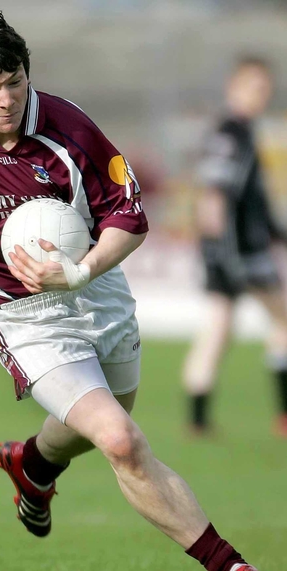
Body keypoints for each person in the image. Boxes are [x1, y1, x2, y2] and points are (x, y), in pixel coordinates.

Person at [0, 9, 258, 571]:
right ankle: (230, 565)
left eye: (15, 82)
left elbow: (129, 216)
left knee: (99, 424)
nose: (6, 100)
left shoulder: (69, 128)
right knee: (120, 439)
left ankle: (35, 466)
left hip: (95, 290)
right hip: (20, 315)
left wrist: (79, 272)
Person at [182, 56, 287, 438]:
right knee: (282, 323)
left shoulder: (238, 131)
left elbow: (249, 199)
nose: (262, 95)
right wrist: (223, 254)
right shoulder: (232, 132)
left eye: (265, 88)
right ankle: (283, 415)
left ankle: (197, 420)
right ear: (234, 87)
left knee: (218, 330)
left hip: (232, 249)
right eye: (255, 87)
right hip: (240, 252)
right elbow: (214, 197)